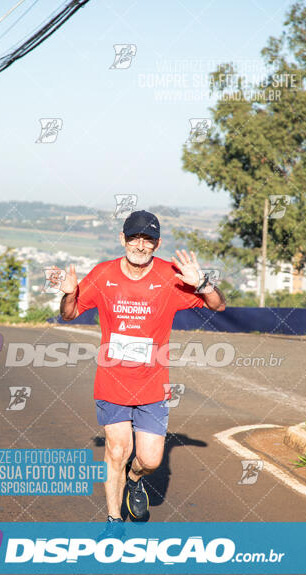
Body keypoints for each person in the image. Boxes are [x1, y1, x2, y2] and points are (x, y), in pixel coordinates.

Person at [56, 210, 226, 537]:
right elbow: (69, 313)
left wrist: (203, 283)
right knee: (116, 450)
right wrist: (70, 292)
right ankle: (113, 522)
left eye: (147, 239)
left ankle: (135, 480)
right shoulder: (103, 274)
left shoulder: (171, 276)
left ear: (156, 244)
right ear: (123, 239)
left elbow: (218, 306)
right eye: (134, 237)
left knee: (149, 460)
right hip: (112, 381)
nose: (140, 244)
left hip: (152, 384)